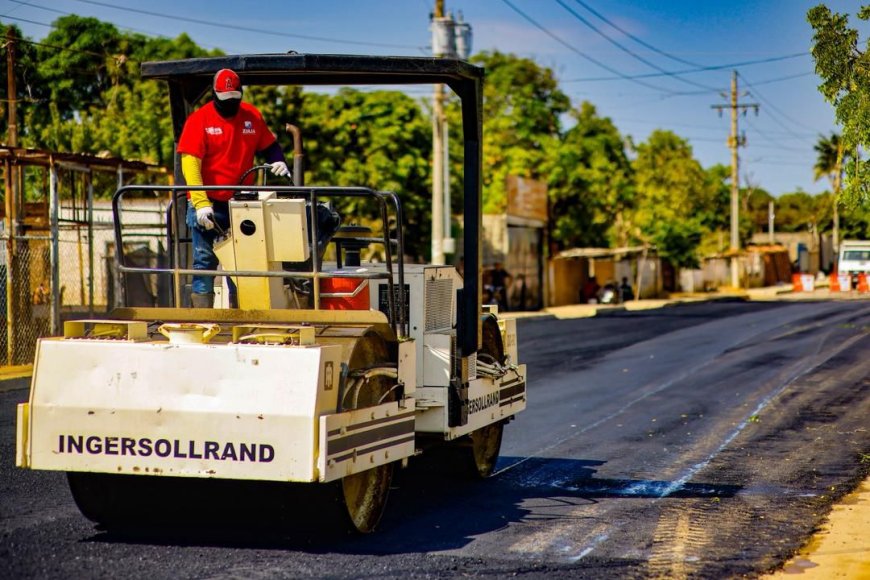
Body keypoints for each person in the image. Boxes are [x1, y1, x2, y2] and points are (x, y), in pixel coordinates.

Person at [178, 68, 290, 308]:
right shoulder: (199, 120)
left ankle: (242, 316)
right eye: (225, 98)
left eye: (234, 98)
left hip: (241, 205)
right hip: (207, 204)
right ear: (214, 94)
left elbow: (269, 145)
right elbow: (190, 166)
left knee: (241, 265)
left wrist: (278, 160)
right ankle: (203, 318)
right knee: (204, 261)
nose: (230, 103)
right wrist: (201, 203)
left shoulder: (252, 116)